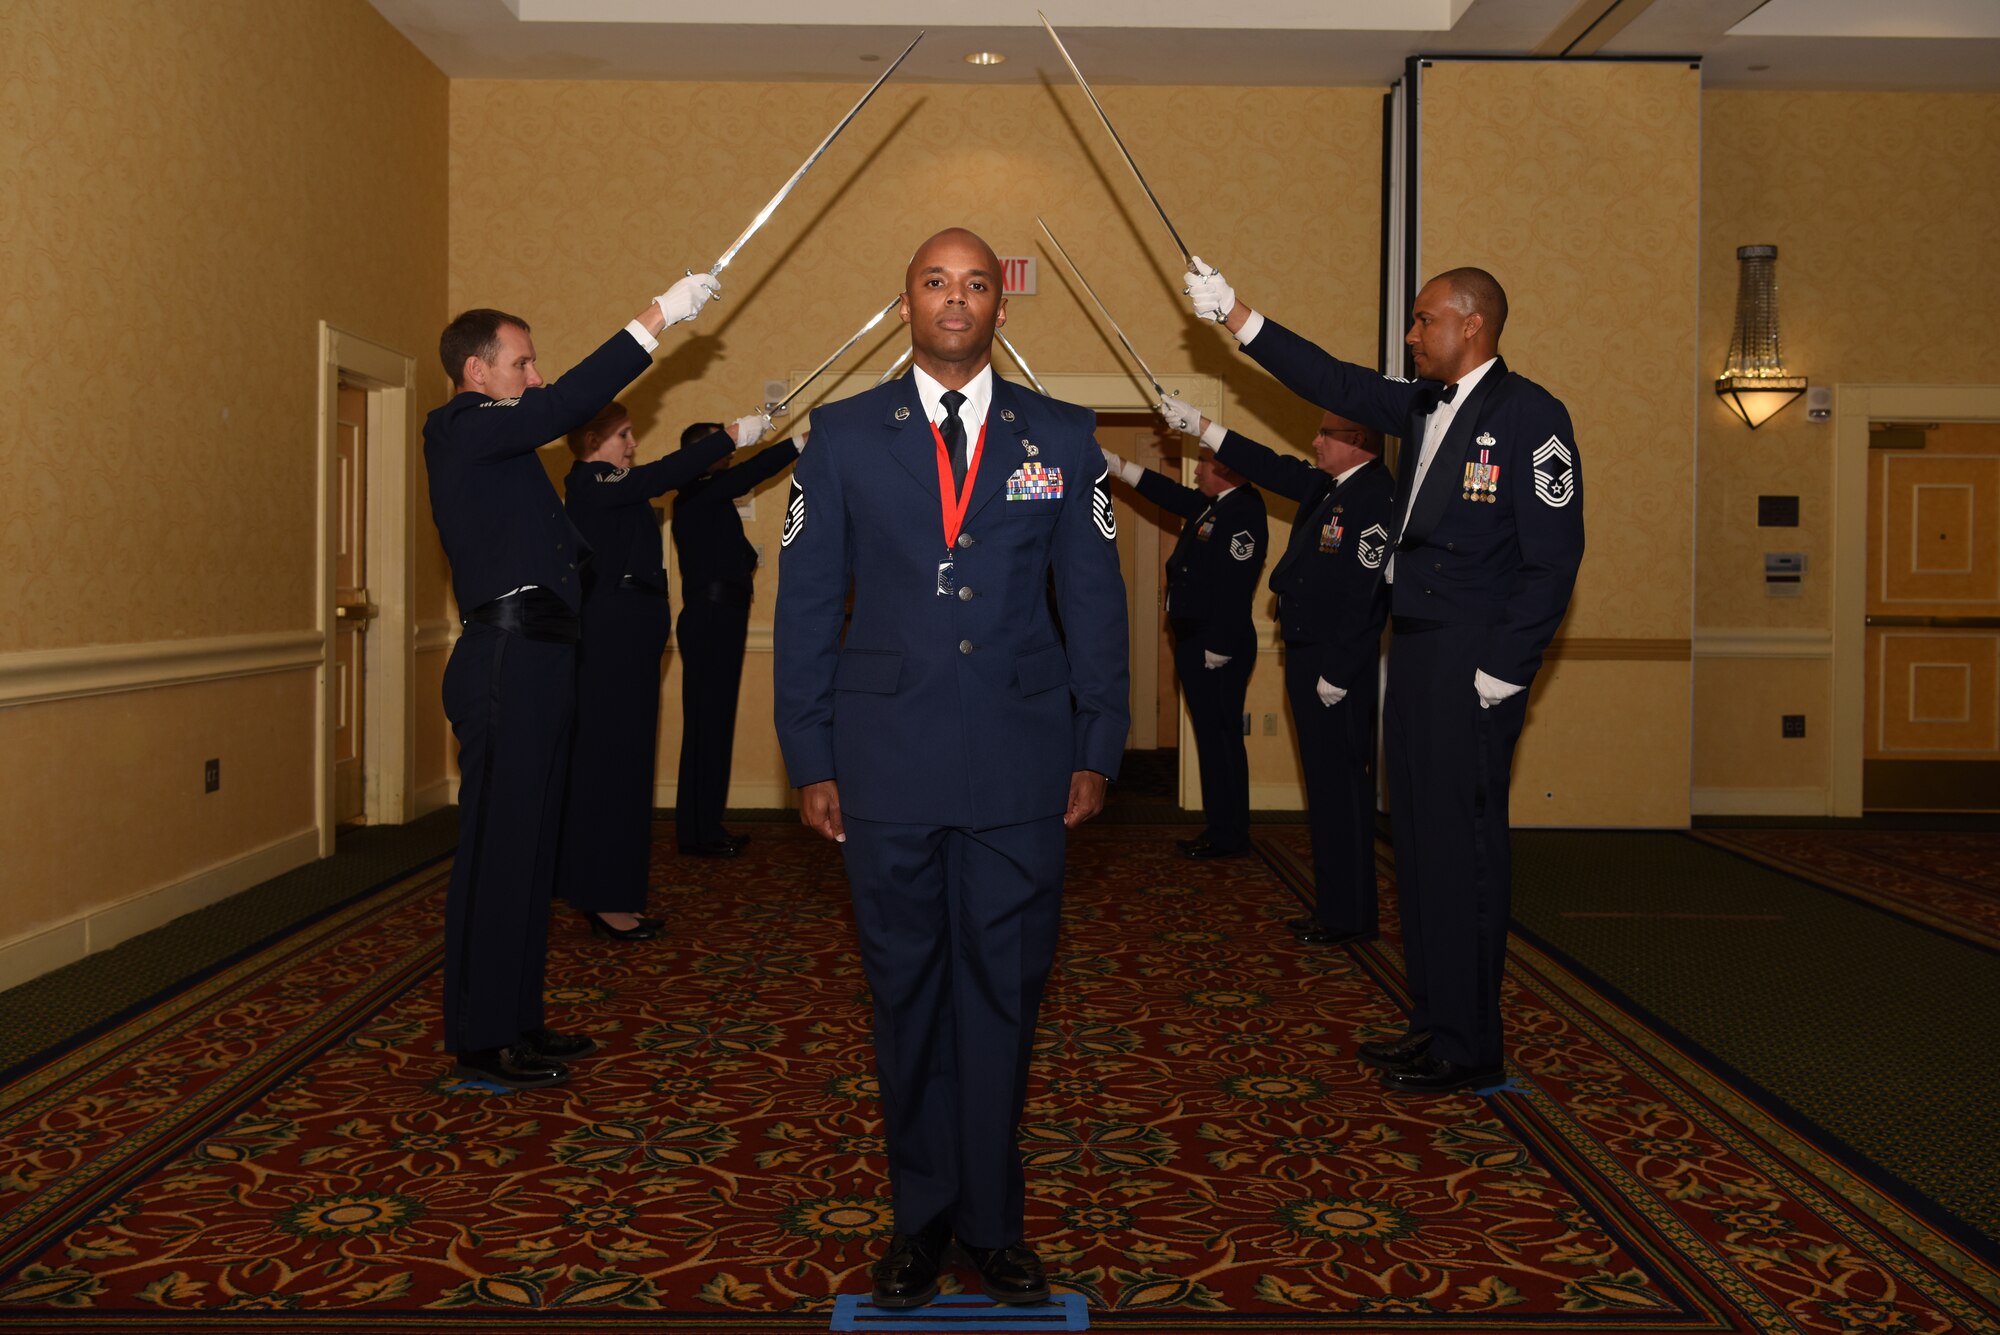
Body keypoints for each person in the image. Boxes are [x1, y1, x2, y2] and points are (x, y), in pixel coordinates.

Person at [774, 228, 1129, 1309]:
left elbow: (1096, 604)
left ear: (999, 312)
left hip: (1022, 770)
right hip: (882, 767)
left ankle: (994, 1221)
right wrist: (809, 753)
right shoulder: (836, 439)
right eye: (935, 282)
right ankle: (920, 1220)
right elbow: (802, 607)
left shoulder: (1062, 437)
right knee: (906, 997)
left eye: (976, 284)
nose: (955, 300)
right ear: (905, 305)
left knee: (1002, 998)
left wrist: (1095, 744)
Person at [1180, 262, 1584, 1094]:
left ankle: (1471, 1042)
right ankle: (1433, 1019)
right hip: (1417, 648)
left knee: (1464, 852)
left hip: (1471, 658)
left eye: (1422, 319)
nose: (1411, 335)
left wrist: (1503, 673)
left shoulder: (1530, 415)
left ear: (1470, 325)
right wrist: (1238, 316)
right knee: (1421, 848)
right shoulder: (1420, 404)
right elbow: (1331, 376)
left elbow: (1553, 560)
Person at [424, 270, 718, 1091]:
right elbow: (562, 409)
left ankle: (518, 1019)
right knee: (498, 854)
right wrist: (656, 317)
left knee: (534, 849)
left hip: (547, 657)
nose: (537, 377)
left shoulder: (506, 448)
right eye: (522, 363)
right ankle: (481, 1040)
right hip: (506, 658)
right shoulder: (457, 426)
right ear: (477, 371)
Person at [1155, 403, 1393, 943]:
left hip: (1334, 662)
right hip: (1310, 652)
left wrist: (1339, 668)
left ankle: (1348, 917)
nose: (1315, 442)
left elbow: (1365, 594)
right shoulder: (1331, 487)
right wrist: (1204, 427)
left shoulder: (1373, 495)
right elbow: (1270, 466)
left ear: (1356, 438)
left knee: (1340, 794)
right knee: (1325, 791)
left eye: (1326, 435)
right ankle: (1336, 910)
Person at [555, 403, 768, 940]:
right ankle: (605, 899)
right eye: (623, 434)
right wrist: (730, 436)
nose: (631, 444)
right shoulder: (593, 480)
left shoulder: (610, 486)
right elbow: (663, 474)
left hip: (624, 644)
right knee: (613, 773)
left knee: (624, 771)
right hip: (611, 647)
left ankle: (604, 890)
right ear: (592, 439)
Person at [1101, 441, 1266, 859]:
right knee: (1211, 739)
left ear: (1227, 471)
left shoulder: (1242, 509)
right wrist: (1118, 465)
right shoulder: (1215, 506)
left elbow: (1236, 581)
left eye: (1204, 465)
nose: (1196, 472)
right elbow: (1168, 494)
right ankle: (1220, 828)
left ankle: (1229, 834)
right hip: (1199, 640)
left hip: (1217, 645)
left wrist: (1219, 645)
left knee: (1221, 740)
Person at [669, 421, 804, 857]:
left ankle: (703, 825)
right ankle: (698, 830)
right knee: (708, 725)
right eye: (720, 444)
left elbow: (740, 556)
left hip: (719, 617)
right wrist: (799, 442)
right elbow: (755, 470)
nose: (730, 452)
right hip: (710, 619)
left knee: (714, 723)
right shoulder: (696, 493)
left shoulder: (708, 498)